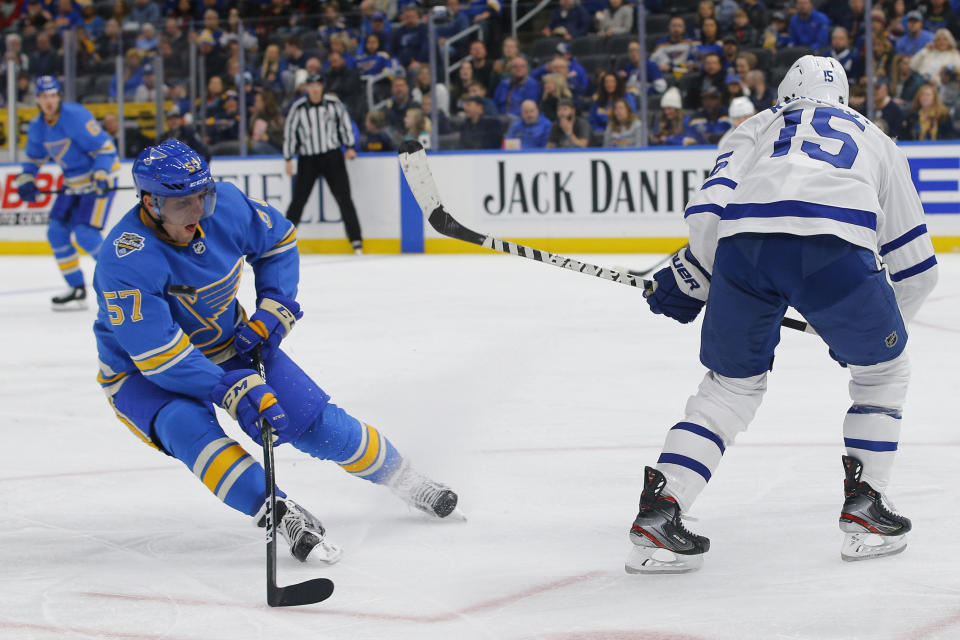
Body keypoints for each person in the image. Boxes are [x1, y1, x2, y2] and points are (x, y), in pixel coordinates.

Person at [627, 56, 937, 574]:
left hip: (745, 249)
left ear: (784, 91)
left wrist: (693, 278)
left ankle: (662, 509)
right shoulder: (877, 139)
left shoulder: (760, 123)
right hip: (835, 249)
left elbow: (709, 212)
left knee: (729, 387)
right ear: (844, 97)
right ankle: (866, 510)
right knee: (884, 373)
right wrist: (866, 334)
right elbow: (919, 270)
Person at [92, 140, 459, 566]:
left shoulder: (226, 206)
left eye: (202, 197)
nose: (197, 214)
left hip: (229, 345)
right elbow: (157, 355)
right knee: (188, 429)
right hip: (142, 375)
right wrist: (231, 387)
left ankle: (404, 477)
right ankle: (277, 511)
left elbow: (278, 240)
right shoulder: (125, 259)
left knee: (314, 422)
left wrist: (274, 306)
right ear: (151, 203)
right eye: (181, 205)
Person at [15, 76, 118, 311]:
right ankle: (77, 287)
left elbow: (105, 148)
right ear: (38, 100)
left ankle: (122, 282)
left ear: (59, 96)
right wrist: (26, 178)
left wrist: (101, 173)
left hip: (99, 177)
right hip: (72, 181)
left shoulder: (76, 115)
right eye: (43, 97)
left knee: (85, 233)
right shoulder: (37, 126)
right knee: (56, 231)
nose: (49, 101)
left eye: (52, 95)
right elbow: (34, 159)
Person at [282, 73, 363, 254]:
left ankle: (356, 240)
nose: (315, 88)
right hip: (307, 158)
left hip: (332, 156)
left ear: (322, 86)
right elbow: (290, 132)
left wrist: (350, 146)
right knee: (298, 201)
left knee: (344, 198)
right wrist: (288, 158)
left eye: (318, 84)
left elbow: (344, 125)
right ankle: (283, 240)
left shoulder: (334, 104)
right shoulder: (299, 108)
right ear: (307, 88)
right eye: (312, 85)